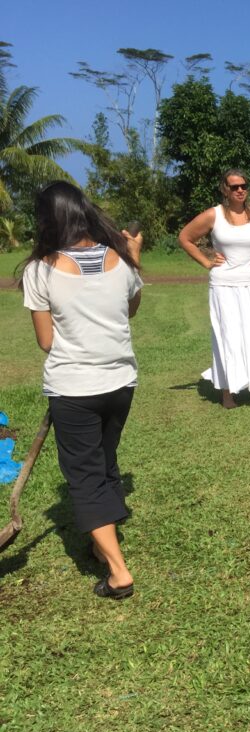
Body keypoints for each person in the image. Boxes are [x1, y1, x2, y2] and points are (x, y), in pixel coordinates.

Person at [18, 181, 144, 599]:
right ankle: (98, 541)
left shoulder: (41, 269)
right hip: (120, 382)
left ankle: (118, 572)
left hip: (74, 388)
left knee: (85, 476)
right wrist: (136, 259)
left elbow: (46, 341)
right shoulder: (120, 259)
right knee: (104, 462)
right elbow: (130, 310)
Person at [178, 169, 250, 409]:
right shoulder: (214, 215)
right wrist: (207, 262)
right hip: (224, 284)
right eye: (234, 187)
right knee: (227, 335)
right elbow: (185, 238)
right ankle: (227, 393)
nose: (240, 190)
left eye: (244, 185)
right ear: (225, 190)